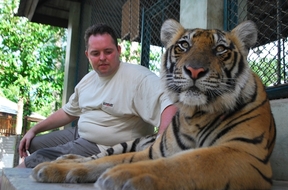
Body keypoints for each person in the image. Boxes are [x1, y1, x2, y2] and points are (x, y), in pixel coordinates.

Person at [16, 23, 177, 168]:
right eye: (95, 53)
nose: (102, 58)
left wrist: (161, 144)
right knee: (33, 143)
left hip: (104, 147)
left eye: (108, 52)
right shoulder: (88, 79)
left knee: (34, 160)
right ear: (87, 55)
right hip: (80, 133)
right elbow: (68, 112)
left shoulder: (138, 77)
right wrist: (34, 129)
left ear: (118, 50)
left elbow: (169, 101)